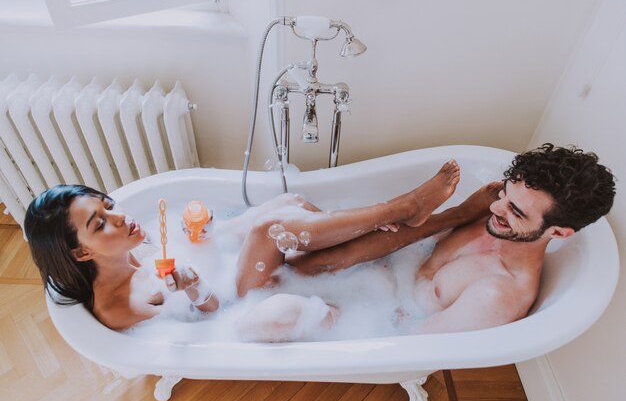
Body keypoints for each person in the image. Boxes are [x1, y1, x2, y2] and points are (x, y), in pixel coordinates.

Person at [25, 160, 497, 336]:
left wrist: (202, 234)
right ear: (82, 253)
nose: (120, 215)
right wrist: (190, 285)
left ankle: (452, 216)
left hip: (243, 272)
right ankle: (399, 207)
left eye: (107, 203)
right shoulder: (120, 306)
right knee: (274, 229)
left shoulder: (132, 240)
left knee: (323, 241)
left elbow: (205, 243)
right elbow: (208, 314)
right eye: (99, 222)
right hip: (237, 301)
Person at [288, 144, 616, 334]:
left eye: (515, 210)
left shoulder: (497, 295)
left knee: (277, 306)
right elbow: (409, 246)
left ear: (559, 233)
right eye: (504, 192)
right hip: (373, 275)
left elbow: (414, 342)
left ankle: (399, 209)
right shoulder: (497, 222)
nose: (493, 207)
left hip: (362, 316)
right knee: (290, 211)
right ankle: (399, 210)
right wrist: (460, 214)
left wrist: (337, 311)